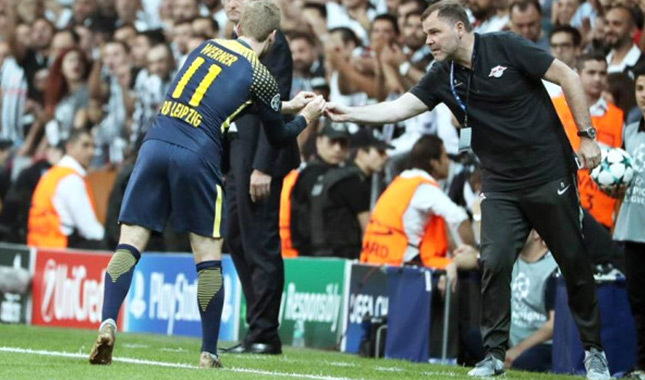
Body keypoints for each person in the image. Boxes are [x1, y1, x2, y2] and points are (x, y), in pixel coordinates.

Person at [325, 2, 609, 379]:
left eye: (434, 33)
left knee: (574, 264)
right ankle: (493, 356)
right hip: (500, 183)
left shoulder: (506, 46)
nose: (428, 41)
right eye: (426, 34)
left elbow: (569, 76)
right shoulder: (443, 75)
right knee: (493, 260)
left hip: (548, 174)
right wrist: (350, 113)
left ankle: (594, 352)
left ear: (459, 28)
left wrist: (587, 137)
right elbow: (398, 108)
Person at [88, 0, 325, 368]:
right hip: (197, 154)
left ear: (237, 26)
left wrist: (287, 105)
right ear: (273, 36)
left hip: (155, 143)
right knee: (208, 257)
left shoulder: (205, 47)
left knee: (130, 244)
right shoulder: (260, 74)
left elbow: (219, 97)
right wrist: (306, 116)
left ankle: (106, 321)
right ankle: (209, 352)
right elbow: (277, 136)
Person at [222, 0, 300, 356]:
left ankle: (265, 332)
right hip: (239, 154)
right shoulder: (234, 40)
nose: (230, 4)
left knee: (260, 241)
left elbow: (275, 103)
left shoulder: (273, 43)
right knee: (235, 236)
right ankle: (259, 324)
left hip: (260, 155)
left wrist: (263, 166)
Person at [361, 135, 475, 283]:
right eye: (445, 157)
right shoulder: (424, 187)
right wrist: (473, 252)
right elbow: (459, 218)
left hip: (373, 260)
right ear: (434, 162)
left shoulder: (401, 182)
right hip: (400, 262)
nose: (449, 162)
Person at [553, 53, 624, 229]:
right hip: (560, 207)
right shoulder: (554, 106)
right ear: (577, 74)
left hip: (601, 217)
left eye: (602, 73)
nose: (598, 79)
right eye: (591, 72)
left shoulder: (618, 116)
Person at [309, 128, 390, 259]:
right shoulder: (355, 182)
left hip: (319, 250)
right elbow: (368, 230)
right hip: (343, 255)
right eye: (380, 152)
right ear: (362, 153)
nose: (386, 156)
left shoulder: (337, 174)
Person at [613, 67, 645, 380]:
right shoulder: (631, 130)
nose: (644, 95)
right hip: (632, 227)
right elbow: (624, 177)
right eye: (640, 88)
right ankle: (642, 366)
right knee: (638, 301)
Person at [282, 123, 351, 257]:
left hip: (340, 254)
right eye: (332, 142)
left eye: (342, 143)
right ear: (319, 142)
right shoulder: (306, 176)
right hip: (308, 253)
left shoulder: (349, 177)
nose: (337, 148)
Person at [27, 129, 104, 249]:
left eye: (93, 146)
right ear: (70, 147)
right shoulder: (71, 179)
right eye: (85, 145)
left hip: (39, 245)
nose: (91, 152)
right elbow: (88, 227)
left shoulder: (54, 173)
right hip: (59, 247)